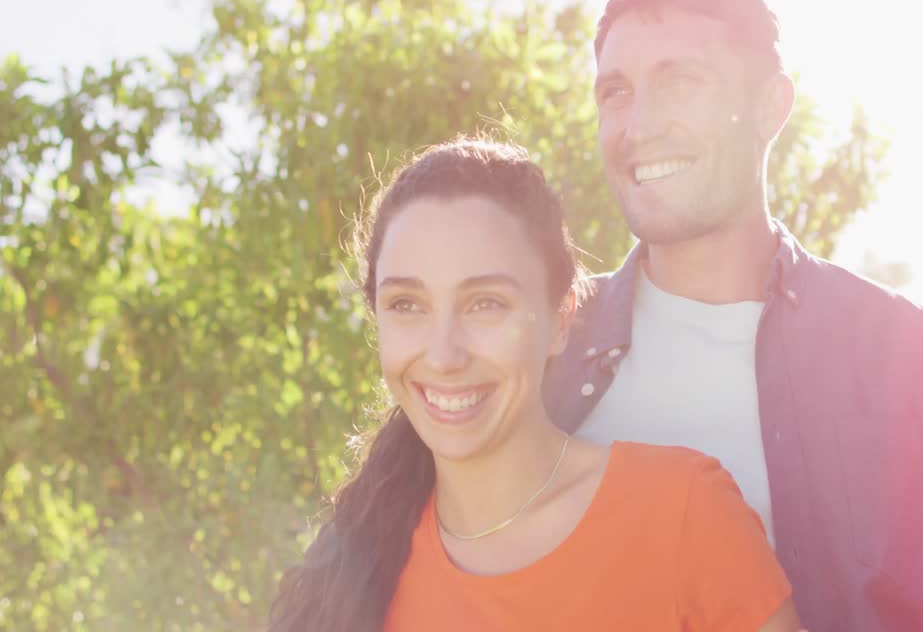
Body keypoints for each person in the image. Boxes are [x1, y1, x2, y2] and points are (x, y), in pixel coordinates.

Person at [543, 0, 923, 631]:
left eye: (679, 81)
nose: (637, 126)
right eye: (615, 92)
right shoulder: (541, 361)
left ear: (769, 108)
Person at [270, 137, 799, 632]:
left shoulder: (685, 515)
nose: (444, 355)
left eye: (486, 304)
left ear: (561, 318)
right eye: (407, 305)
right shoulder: (352, 576)